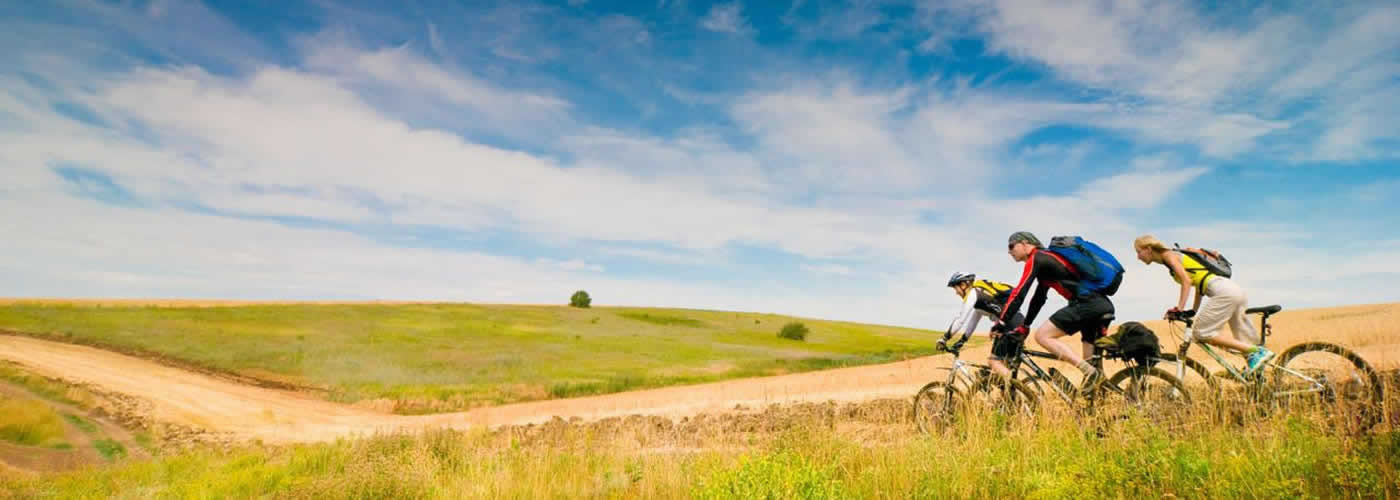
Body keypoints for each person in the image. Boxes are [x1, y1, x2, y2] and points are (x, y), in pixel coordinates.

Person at [1132, 235, 1274, 373]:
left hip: (1224, 292)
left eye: (1139, 252)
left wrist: (1179, 309)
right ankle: (1258, 376)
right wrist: (1192, 311)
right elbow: (1198, 286)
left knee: (1202, 333)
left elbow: (1186, 281)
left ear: (1149, 248)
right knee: (1243, 337)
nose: (1138, 257)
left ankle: (1257, 351)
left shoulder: (1169, 256)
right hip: (1232, 290)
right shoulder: (1172, 258)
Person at [1000, 231, 1114, 392]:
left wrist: (1002, 321)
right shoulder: (1048, 260)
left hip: (1086, 305)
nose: (1009, 251)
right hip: (1100, 305)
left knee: (1042, 336)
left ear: (1025, 244)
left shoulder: (1037, 258)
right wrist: (1026, 325)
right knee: (1093, 370)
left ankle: (1090, 372)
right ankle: (1102, 403)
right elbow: (1038, 298)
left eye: (1011, 246)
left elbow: (1019, 292)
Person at [936, 272, 1025, 378]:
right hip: (1015, 322)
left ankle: (1016, 385)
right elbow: (973, 322)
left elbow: (961, 320)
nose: (956, 292)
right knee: (1003, 365)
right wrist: (962, 341)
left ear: (964, 285)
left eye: (956, 288)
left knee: (993, 362)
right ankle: (1010, 391)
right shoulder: (980, 297)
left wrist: (944, 338)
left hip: (1009, 325)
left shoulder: (973, 294)